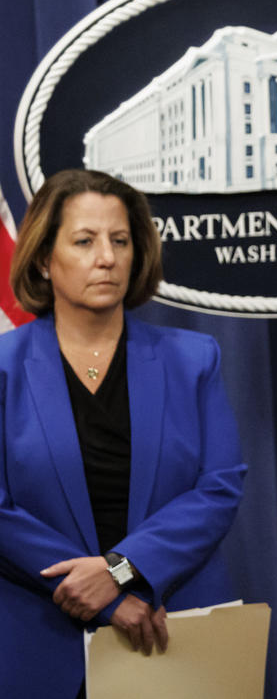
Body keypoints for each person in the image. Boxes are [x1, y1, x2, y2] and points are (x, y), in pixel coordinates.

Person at [0, 169, 247, 697]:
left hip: (170, 627)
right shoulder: (4, 367)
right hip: (39, 640)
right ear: (44, 258)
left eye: (120, 240)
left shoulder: (193, 359)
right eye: (84, 241)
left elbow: (219, 487)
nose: (107, 257)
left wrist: (120, 570)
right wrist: (110, 599)